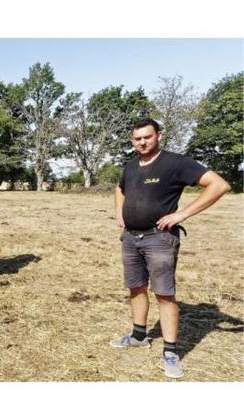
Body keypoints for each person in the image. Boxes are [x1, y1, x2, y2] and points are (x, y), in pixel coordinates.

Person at [111, 118, 231, 378]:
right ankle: (139, 336)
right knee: (136, 287)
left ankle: (170, 351)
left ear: (159, 136)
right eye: (137, 138)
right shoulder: (131, 165)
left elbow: (219, 185)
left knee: (164, 293)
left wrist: (182, 214)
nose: (142, 142)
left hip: (159, 239)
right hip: (131, 238)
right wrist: (119, 212)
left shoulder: (176, 163)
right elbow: (119, 189)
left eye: (147, 137)